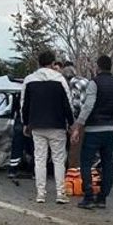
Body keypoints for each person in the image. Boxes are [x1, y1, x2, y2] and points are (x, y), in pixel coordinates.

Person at [70, 55, 113, 210]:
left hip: (94, 129)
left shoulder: (94, 83)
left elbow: (88, 106)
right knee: (107, 164)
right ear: (111, 67)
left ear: (98, 67)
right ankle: (102, 198)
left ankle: (88, 197)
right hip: (109, 130)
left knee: (86, 161)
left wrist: (78, 126)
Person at [21, 50, 74, 204]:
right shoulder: (59, 79)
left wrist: (26, 123)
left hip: (37, 125)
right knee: (58, 159)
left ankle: (41, 194)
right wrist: (71, 124)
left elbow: (24, 104)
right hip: (57, 125)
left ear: (39, 63)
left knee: (40, 159)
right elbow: (68, 104)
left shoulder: (29, 80)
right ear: (52, 63)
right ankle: (60, 193)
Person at [62, 61, 90, 169]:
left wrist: (75, 125)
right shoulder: (84, 81)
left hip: (78, 122)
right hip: (84, 121)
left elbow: (81, 106)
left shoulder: (75, 84)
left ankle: (73, 178)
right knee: (78, 150)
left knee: (74, 151)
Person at [8, 91, 34, 179]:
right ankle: (33, 171)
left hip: (20, 122)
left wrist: (12, 120)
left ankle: (12, 170)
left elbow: (13, 110)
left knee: (16, 148)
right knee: (34, 148)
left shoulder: (19, 94)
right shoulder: (35, 93)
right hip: (32, 123)